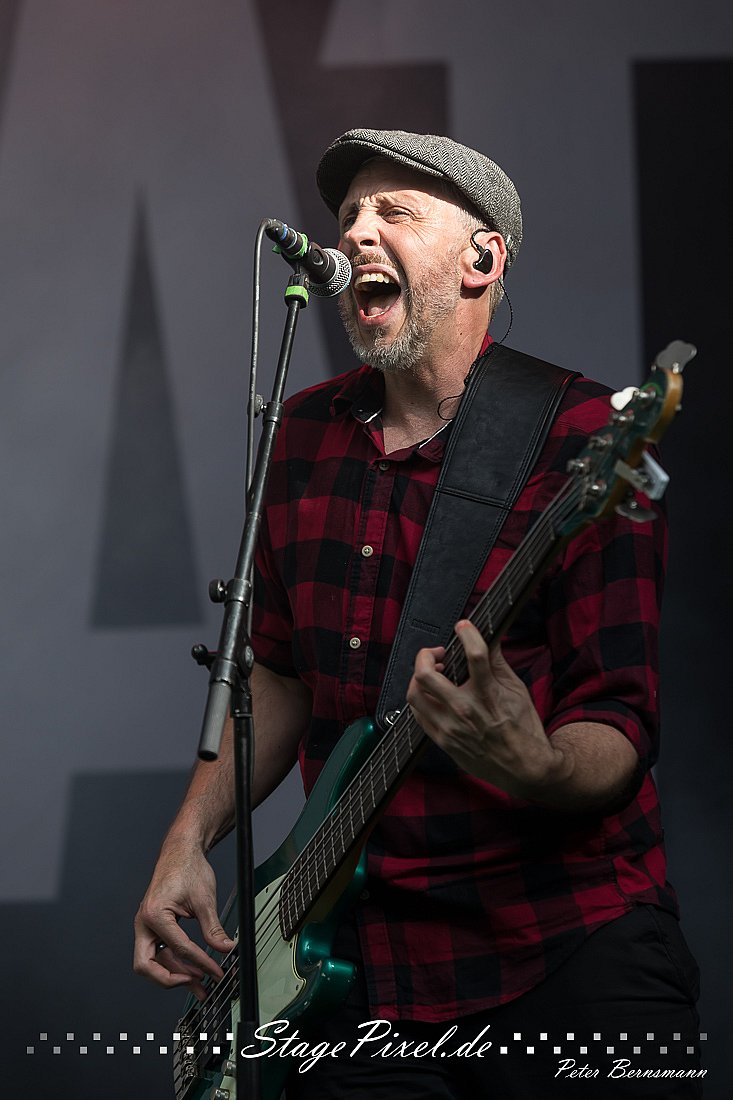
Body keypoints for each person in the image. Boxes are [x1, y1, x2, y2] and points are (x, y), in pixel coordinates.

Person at [134, 129, 703, 1097]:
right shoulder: (303, 432)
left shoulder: (575, 439)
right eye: (349, 215)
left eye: (393, 212)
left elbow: (618, 716)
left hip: (560, 944)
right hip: (356, 968)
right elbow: (280, 672)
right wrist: (187, 839)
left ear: (482, 260)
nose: (358, 232)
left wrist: (536, 763)